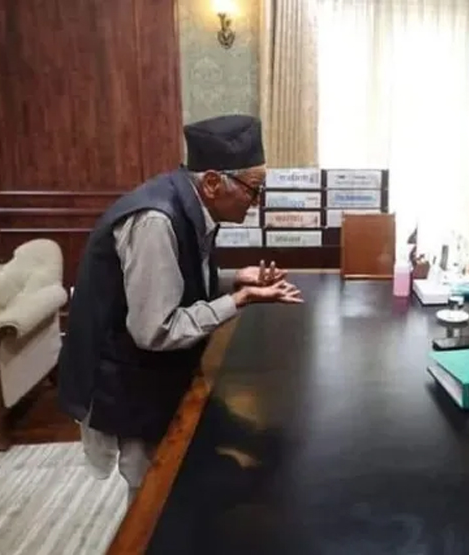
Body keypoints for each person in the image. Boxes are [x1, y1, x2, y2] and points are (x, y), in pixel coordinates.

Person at [57, 114, 303, 503]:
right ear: (212, 182)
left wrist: (234, 280)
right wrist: (238, 300)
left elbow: (174, 281)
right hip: (125, 378)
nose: (256, 202)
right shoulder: (156, 220)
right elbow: (156, 330)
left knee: (230, 453)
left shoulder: (189, 203)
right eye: (253, 190)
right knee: (152, 489)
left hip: (154, 370)